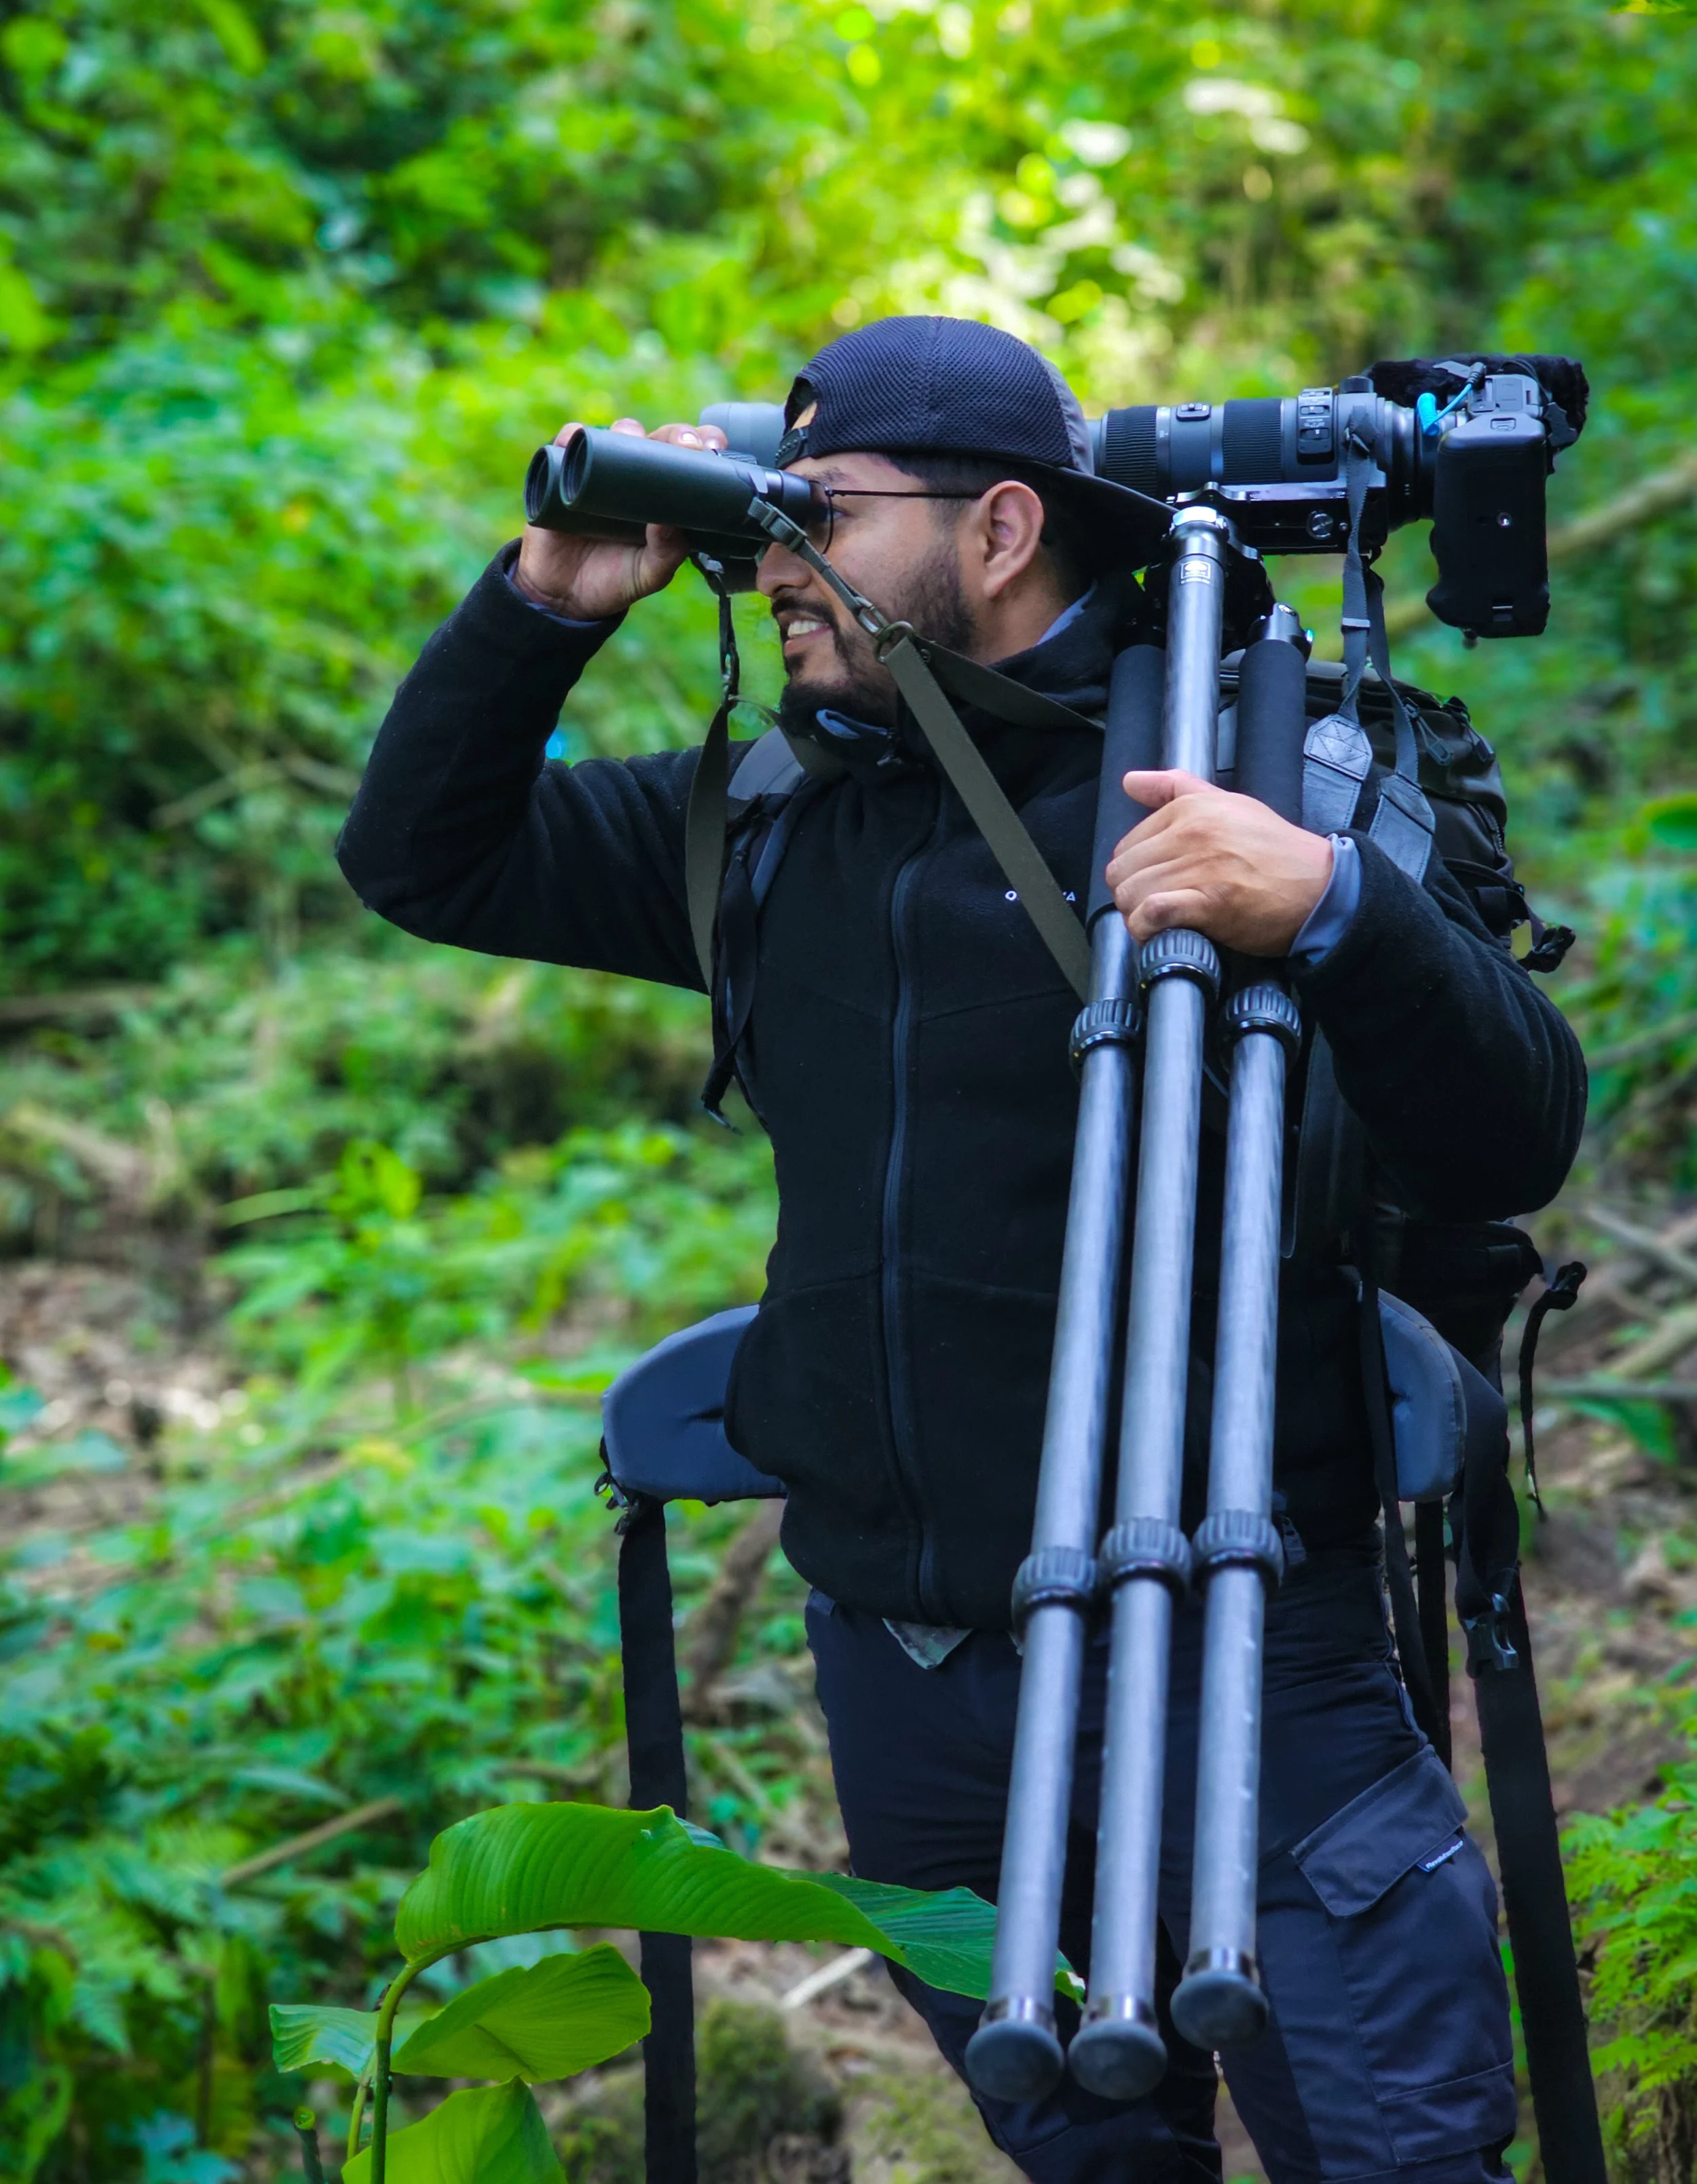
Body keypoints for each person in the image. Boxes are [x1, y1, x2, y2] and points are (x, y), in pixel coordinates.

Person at [337, 314, 1586, 2184]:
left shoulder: (1240, 776)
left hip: (1241, 1619)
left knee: (1394, 2155)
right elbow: (420, 857)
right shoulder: (771, 820)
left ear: (1000, 528)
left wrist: (1330, 908)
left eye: (816, 512)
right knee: (1093, 2160)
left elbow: (1516, 1128)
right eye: (766, 509)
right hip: (913, 1665)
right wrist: (553, 596)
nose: (769, 555)